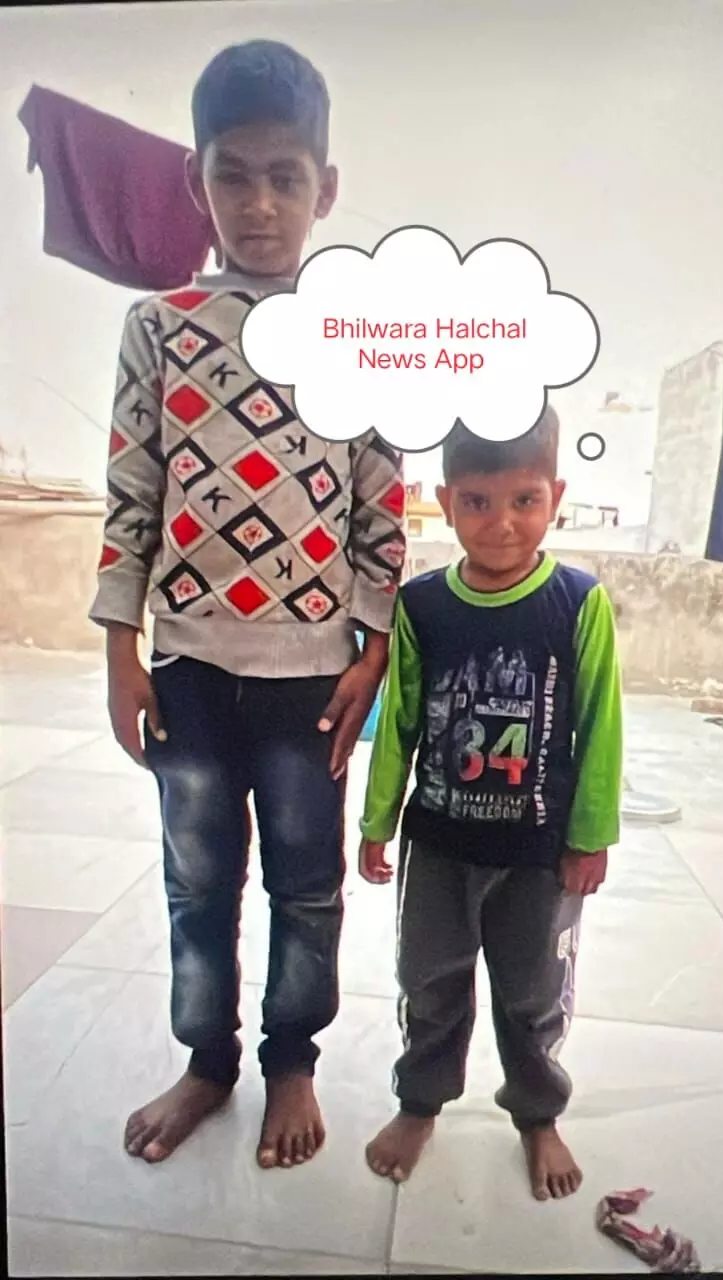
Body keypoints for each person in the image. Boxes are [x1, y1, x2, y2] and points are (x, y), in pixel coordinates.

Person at [90, 39, 406, 1170]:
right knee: (197, 878)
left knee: (307, 884)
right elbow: (131, 493)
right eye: (234, 175)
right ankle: (207, 1060)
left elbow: (381, 505)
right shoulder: (160, 326)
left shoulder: (358, 336)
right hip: (187, 669)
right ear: (197, 179)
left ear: (326, 187)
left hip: (313, 676)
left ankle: (291, 1060)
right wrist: (120, 653)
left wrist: (372, 648)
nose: (260, 203)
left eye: (285, 177)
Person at [358, 412, 622, 1200]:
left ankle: (537, 1115)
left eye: (524, 501)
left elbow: (600, 724)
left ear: (556, 498)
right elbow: (399, 721)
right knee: (428, 980)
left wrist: (591, 835)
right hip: (438, 843)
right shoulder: (422, 604)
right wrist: (378, 821)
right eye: (476, 501)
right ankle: (420, 1102)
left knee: (533, 990)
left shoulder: (578, 602)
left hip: (539, 852)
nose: (500, 523)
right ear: (444, 501)